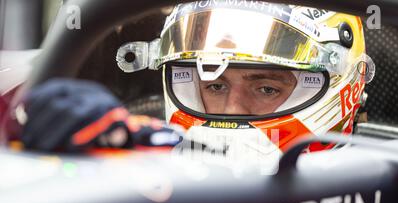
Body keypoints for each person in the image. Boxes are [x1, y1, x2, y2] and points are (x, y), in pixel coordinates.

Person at [21, 1, 375, 155]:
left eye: (266, 87)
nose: (232, 108)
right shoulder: (157, 148)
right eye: (215, 85)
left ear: (344, 86)